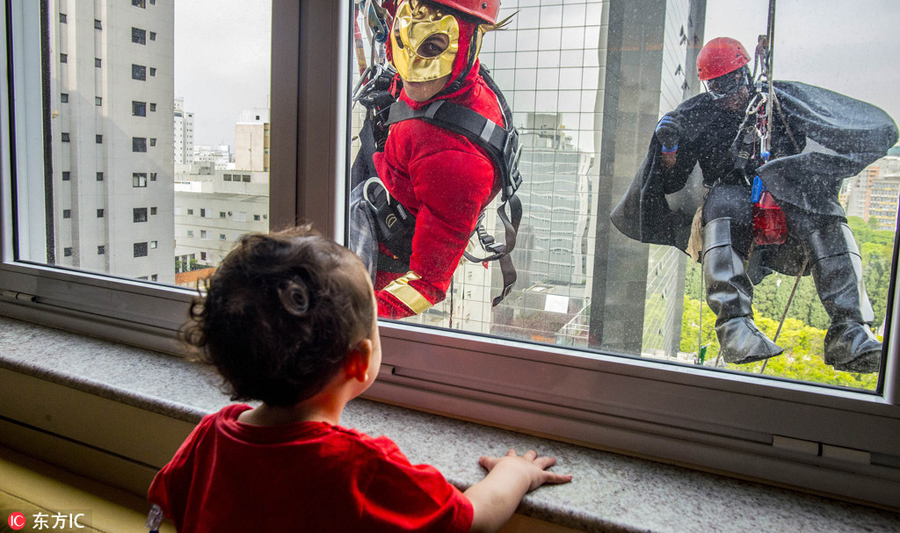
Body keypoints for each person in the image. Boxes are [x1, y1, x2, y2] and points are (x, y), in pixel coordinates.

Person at [146, 226, 571, 533]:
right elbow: (469, 519)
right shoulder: (358, 469)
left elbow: (165, 504)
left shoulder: (210, 436)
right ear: (360, 361)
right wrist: (516, 473)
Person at [611, 37, 898, 373]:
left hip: (787, 195)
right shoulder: (698, 115)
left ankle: (849, 330)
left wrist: (804, 173)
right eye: (718, 86)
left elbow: (831, 132)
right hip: (732, 198)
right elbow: (672, 182)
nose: (730, 95)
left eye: (732, 82)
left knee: (826, 217)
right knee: (722, 206)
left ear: (745, 72)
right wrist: (669, 149)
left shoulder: (780, 102)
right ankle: (734, 327)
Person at [352, 0, 516, 319]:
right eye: (400, 38)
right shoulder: (455, 78)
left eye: (431, 48)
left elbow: (426, 284)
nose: (409, 71)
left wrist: (353, 319)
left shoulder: (458, 162)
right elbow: (409, 47)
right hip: (384, 185)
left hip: (382, 250)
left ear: (472, 41)